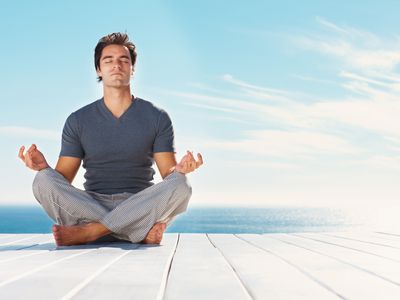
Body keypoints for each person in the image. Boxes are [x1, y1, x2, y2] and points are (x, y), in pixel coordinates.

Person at [18, 32, 203, 246]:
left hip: (139, 202)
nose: (117, 65)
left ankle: (93, 231)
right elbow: (62, 179)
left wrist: (180, 169)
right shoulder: (78, 120)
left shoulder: (157, 117)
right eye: (108, 60)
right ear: (99, 69)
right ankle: (135, 231)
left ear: (132, 69)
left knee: (181, 184)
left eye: (124, 60)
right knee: (42, 180)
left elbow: (168, 174)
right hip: (91, 204)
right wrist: (44, 167)